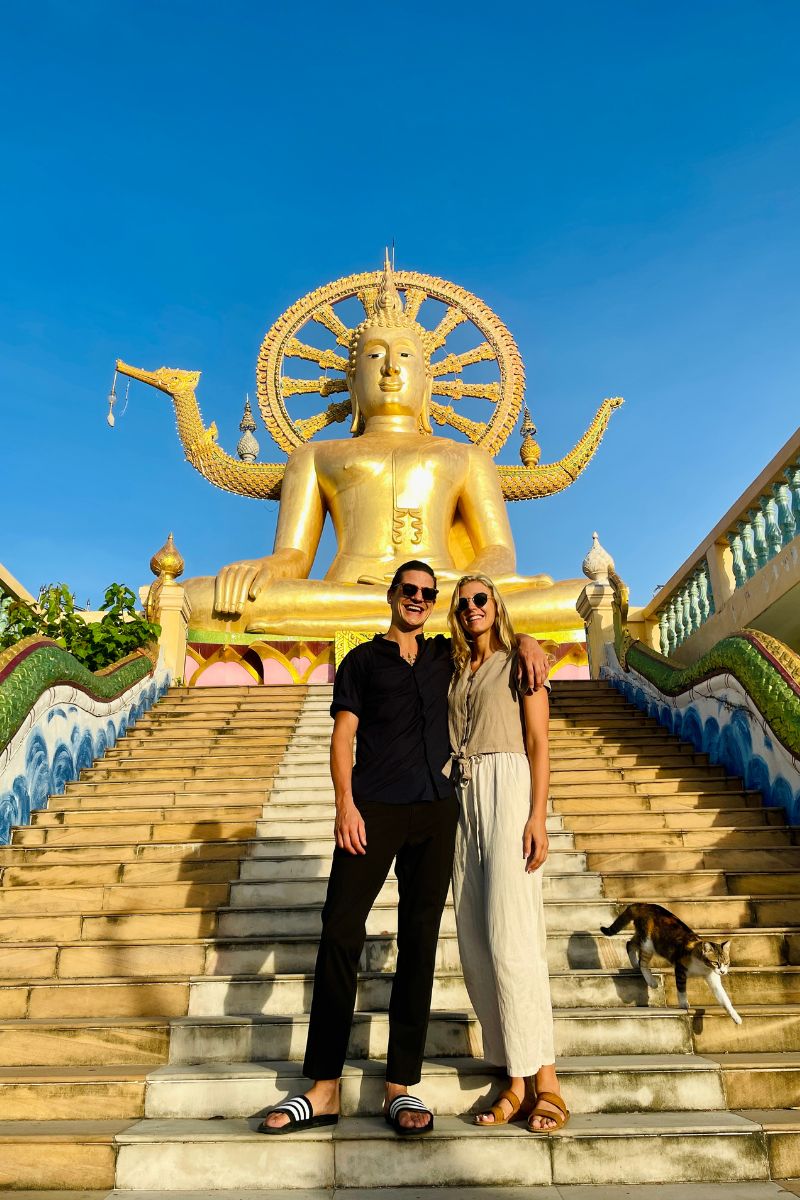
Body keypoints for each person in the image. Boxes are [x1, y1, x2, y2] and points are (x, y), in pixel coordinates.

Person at [260, 560, 549, 1136]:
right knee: (341, 929)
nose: (418, 599)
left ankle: (402, 1085)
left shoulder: (448, 656)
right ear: (392, 595)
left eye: (428, 593)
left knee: (420, 942)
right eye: (409, 590)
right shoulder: (362, 661)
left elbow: (498, 639)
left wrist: (532, 637)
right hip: (374, 808)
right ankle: (322, 1086)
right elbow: (343, 735)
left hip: (439, 810)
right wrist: (345, 802)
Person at [447, 573, 569, 1134]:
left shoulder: (523, 663)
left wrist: (537, 815)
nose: (472, 608)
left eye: (481, 599)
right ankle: (514, 1077)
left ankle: (545, 1081)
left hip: (509, 787)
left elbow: (540, 742)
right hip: (464, 795)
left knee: (512, 936)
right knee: (475, 941)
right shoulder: (453, 668)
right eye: (463, 602)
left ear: (497, 606)